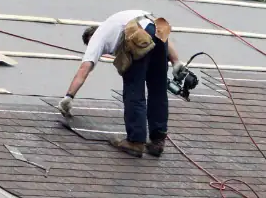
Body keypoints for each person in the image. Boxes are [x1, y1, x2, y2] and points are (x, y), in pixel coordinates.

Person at [59, 9, 184, 158]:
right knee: (158, 88)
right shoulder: (117, 21)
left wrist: (69, 96)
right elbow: (159, 31)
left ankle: (135, 141)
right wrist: (176, 62)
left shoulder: (97, 37)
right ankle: (157, 141)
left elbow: (84, 68)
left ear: (90, 38)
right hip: (157, 27)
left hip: (137, 35)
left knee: (134, 90)